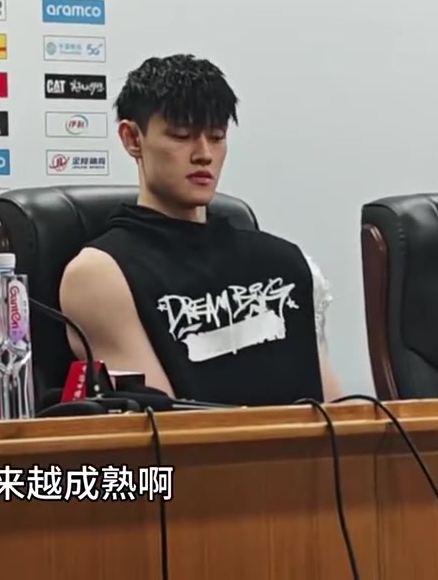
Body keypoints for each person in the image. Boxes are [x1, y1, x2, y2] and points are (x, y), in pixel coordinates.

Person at [58, 54, 344, 407]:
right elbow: (162, 422)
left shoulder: (284, 263)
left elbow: (338, 410)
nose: (204, 154)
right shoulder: (100, 274)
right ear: (132, 139)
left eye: (217, 136)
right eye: (181, 136)